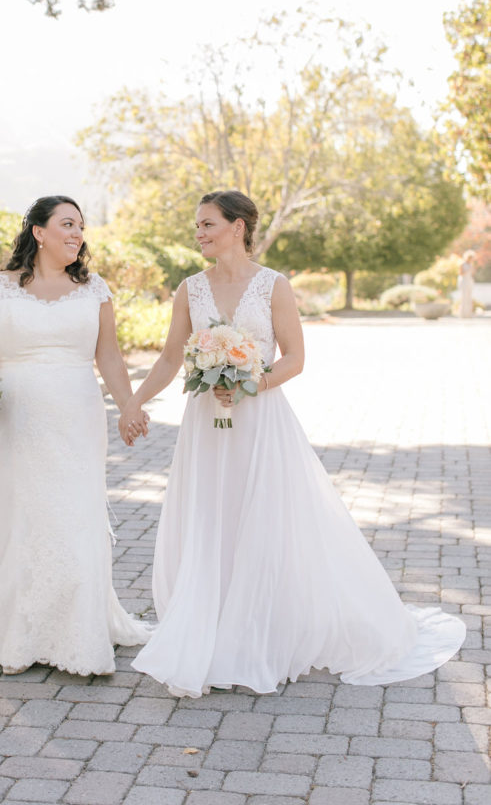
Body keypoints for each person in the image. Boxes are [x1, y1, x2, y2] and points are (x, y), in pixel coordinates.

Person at [120, 190, 466, 698]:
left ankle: (261, 629)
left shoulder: (273, 286)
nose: (199, 233)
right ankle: (210, 624)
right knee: (212, 516)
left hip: (260, 420)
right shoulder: (189, 289)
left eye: (208, 224)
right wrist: (134, 402)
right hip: (206, 424)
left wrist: (250, 383)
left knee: (262, 516)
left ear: (238, 227)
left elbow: (294, 357)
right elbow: (172, 357)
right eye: (197, 225)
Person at [0, 195, 150, 675]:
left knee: (74, 512)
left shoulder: (95, 290)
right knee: (21, 511)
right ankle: (18, 626)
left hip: (77, 415)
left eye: (80, 227)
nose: (77, 234)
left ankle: (76, 627)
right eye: (67, 224)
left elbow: (108, 356)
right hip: (17, 418)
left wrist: (129, 404)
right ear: (38, 232)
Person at [459, 249, 476, 318]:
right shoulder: (462, 264)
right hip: (464, 281)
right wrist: (467, 271)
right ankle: (462, 314)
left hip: (469, 281)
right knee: (464, 297)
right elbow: (460, 273)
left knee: (469, 297)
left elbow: (472, 274)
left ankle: (469, 314)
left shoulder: (471, 265)